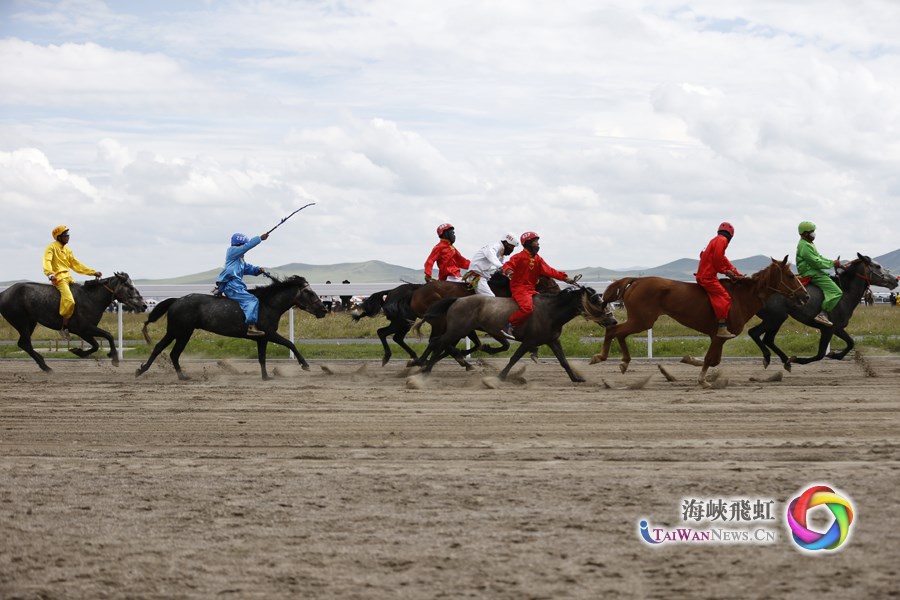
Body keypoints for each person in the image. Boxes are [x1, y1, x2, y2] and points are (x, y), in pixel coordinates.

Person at [501, 232, 577, 338]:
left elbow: (550, 271)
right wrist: (509, 271)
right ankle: (508, 325)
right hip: (519, 289)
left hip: (531, 289)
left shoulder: (538, 259)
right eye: (535, 242)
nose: (538, 244)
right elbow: (508, 265)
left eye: (537, 242)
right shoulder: (518, 257)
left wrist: (565, 278)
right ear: (528, 243)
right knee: (527, 309)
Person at [43, 225, 102, 339]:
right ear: (58, 237)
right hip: (59, 279)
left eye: (68, 235)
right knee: (70, 301)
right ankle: (64, 327)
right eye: (65, 236)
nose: (68, 238)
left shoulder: (68, 250)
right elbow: (47, 260)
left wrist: (92, 272)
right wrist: (50, 274)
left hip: (69, 278)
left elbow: (76, 265)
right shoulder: (51, 247)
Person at [694, 222, 746, 338]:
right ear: (730, 235)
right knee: (725, 297)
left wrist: (737, 273)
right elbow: (718, 260)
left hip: (704, 275)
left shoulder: (716, 240)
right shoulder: (722, 241)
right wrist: (726, 272)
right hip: (707, 278)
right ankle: (721, 327)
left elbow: (723, 259)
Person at [217, 232, 269, 337]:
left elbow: (247, 268)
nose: (244, 249)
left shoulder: (239, 260)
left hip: (236, 286)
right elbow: (247, 247)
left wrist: (258, 270)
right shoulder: (232, 251)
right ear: (240, 244)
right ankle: (251, 327)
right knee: (252, 300)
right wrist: (259, 239)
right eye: (243, 245)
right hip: (231, 286)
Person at [796, 221, 842, 326]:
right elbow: (816, 262)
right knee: (836, 292)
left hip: (814, 271)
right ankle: (823, 314)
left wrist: (832, 263)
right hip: (812, 273)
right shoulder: (804, 246)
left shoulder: (809, 244)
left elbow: (819, 257)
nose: (814, 234)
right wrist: (832, 264)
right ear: (806, 233)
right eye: (812, 232)